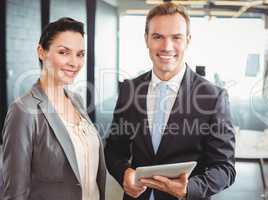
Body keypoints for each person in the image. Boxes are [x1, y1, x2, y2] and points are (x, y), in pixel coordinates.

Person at [104, 2, 235, 200]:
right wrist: (124, 172)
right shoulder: (129, 90)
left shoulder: (213, 97)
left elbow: (224, 168)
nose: (167, 47)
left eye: (176, 38)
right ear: (146, 39)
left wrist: (189, 189)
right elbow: (114, 150)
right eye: (158, 37)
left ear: (188, 40)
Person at [1, 17, 106, 200]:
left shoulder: (77, 101)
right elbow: (14, 193)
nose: (75, 62)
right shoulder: (24, 110)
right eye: (64, 52)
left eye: (80, 54)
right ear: (42, 52)